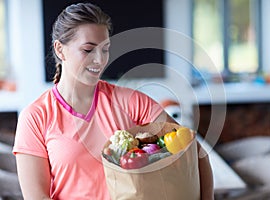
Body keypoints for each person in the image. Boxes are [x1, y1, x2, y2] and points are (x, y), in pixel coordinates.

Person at [13, 2, 213, 200]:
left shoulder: (132, 102)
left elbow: (193, 150)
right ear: (60, 49)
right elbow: (36, 196)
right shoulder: (36, 117)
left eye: (105, 49)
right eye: (88, 50)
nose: (99, 60)